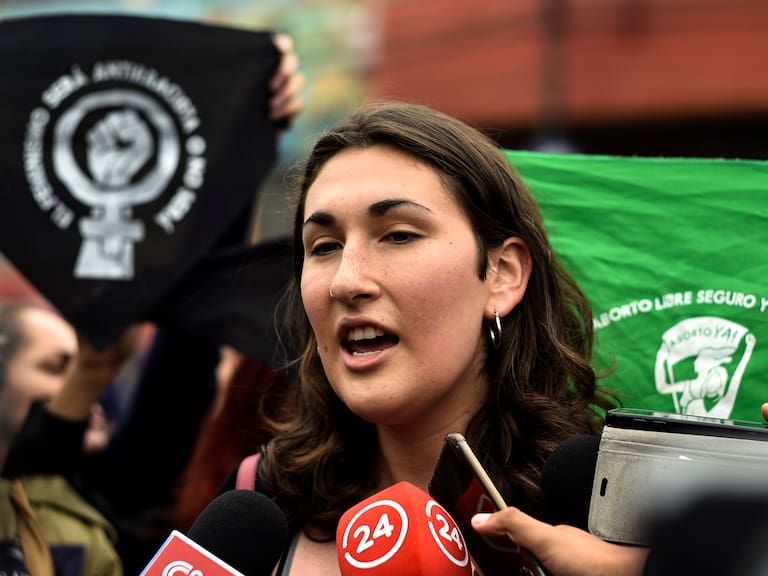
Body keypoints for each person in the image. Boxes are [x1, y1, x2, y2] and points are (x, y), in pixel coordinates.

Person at [219, 100, 623, 575]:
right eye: (324, 246)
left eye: (399, 235)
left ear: (502, 275)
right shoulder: (256, 501)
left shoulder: (606, 517)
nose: (345, 282)